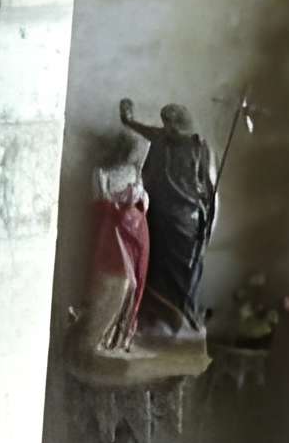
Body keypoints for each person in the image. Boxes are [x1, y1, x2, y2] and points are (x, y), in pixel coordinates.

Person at [119, 98, 215, 334]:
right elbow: (137, 126)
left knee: (184, 269)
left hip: (185, 219)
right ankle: (158, 317)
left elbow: (208, 186)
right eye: (165, 124)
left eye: (171, 125)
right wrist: (128, 117)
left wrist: (206, 217)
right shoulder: (162, 138)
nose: (167, 129)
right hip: (160, 215)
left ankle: (184, 316)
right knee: (156, 266)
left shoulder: (199, 148)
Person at [78, 153, 151, 357]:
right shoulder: (101, 173)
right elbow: (99, 203)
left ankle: (117, 337)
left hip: (131, 234)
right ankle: (99, 337)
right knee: (116, 285)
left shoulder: (135, 172)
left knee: (133, 285)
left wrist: (133, 203)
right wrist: (117, 207)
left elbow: (143, 202)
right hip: (112, 237)